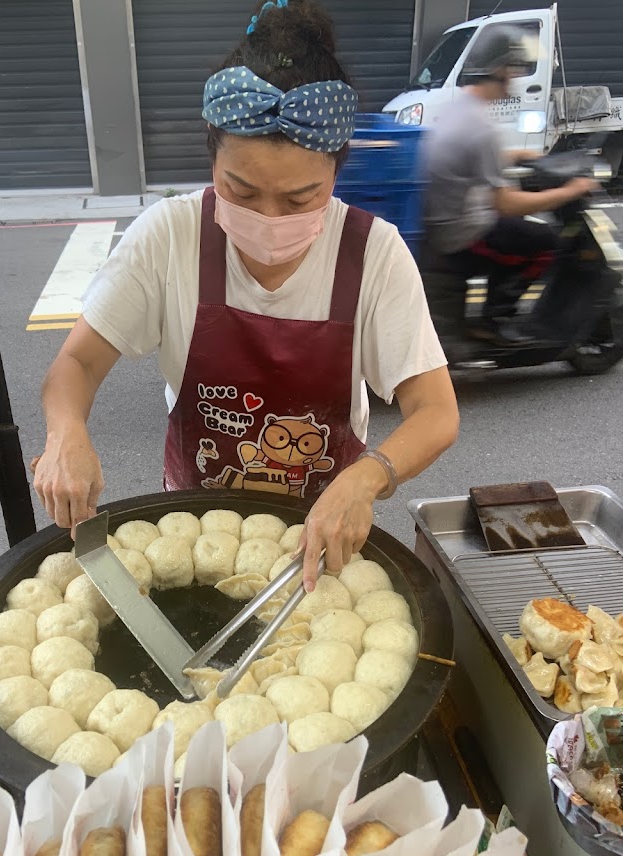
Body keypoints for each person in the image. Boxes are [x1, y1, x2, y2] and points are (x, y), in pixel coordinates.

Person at [33, 0, 459, 589]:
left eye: (300, 198)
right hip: (192, 534)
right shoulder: (170, 236)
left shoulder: (374, 253)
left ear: (337, 173)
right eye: (241, 189)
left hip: (319, 539)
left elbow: (435, 412)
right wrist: (66, 436)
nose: (269, 217)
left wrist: (367, 479)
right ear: (212, 161)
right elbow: (76, 362)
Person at [422, 25, 596, 332]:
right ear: (499, 70)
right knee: (546, 243)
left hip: (443, 218)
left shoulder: (458, 107)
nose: (515, 77)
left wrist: (517, 155)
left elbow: (469, 157)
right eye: (513, 69)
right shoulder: (482, 126)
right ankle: (495, 319)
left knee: (519, 234)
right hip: (463, 233)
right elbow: (507, 205)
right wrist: (571, 190)